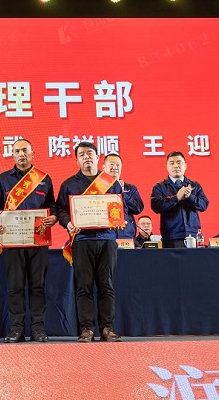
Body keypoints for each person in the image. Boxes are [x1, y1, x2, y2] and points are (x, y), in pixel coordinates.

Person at [56, 143, 124, 343]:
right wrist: (68, 223)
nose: (86, 157)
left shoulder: (111, 182)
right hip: (82, 240)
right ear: (77, 159)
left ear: (97, 157)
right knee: (83, 287)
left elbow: (120, 207)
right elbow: (61, 210)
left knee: (106, 285)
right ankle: (87, 329)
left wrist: (119, 220)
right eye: (82, 154)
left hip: (107, 239)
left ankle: (107, 328)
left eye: (90, 153)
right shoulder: (68, 184)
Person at [0, 138, 57, 343]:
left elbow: (52, 207)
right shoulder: (2, 179)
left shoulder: (44, 179)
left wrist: (54, 217)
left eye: (25, 151)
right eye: (17, 151)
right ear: (12, 155)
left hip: (38, 240)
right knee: (15, 286)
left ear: (32, 154)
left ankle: (38, 328)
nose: (21, 154)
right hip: (12, 241)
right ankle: (16, 329)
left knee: (38, 285)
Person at [150, 151, 210, 248]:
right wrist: (176, 198)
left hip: (193, 235)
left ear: (185, 165)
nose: (176, 166)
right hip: (171, 236)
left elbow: (204, 205)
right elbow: (156, 206)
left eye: (179, 162)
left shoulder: (194, 185)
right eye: (172, 163)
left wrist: (190, 197)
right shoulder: (160, 187)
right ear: (167, 166)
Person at [101, 153, 144, 241]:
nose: (115, 167)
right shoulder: (97, 188)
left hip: (125, 234)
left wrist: (123, 193)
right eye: (111, 164)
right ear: (103, 167)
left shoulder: (130, 188)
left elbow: (138, 208)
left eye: (118, 165)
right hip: (104, 234)